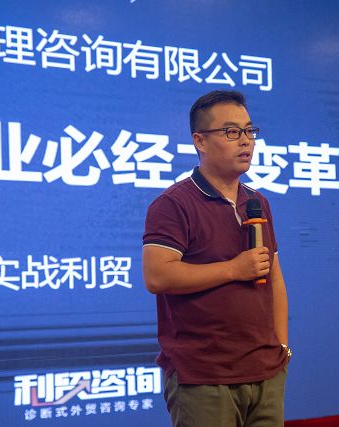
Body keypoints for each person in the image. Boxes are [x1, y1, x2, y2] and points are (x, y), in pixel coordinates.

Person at [142, 90, 291, 426]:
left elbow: (274, 279)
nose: (246, 141)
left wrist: (281, 349)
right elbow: (157, 276)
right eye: (231, 132)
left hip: (266, 371)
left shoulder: (258, 203)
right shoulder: (173, 204)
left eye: (249, 131)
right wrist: (233, 269)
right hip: (204, 377)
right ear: (200, 141)